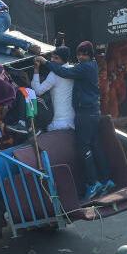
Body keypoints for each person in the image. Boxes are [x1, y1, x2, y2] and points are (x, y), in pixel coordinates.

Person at [45, 40, 113, 200]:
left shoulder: (85, 68)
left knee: (84, 148)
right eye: (78, 54)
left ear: (89, 55)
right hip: (94, 112)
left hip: (84, 114)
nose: (80, 57)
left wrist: (46, 63)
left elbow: (65, 73)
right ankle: (105, 180)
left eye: (83, 54)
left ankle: (92, 183)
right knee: (95, 146)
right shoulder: (92, 65)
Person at [30, 46, 75, 131]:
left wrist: (36, 70)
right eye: (52, 57)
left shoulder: (54, 74)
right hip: (73, 123)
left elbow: (38, 91)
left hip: (58, 124)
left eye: (56, 58)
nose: (52, 60)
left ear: (64, 60)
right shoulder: (73, 70)